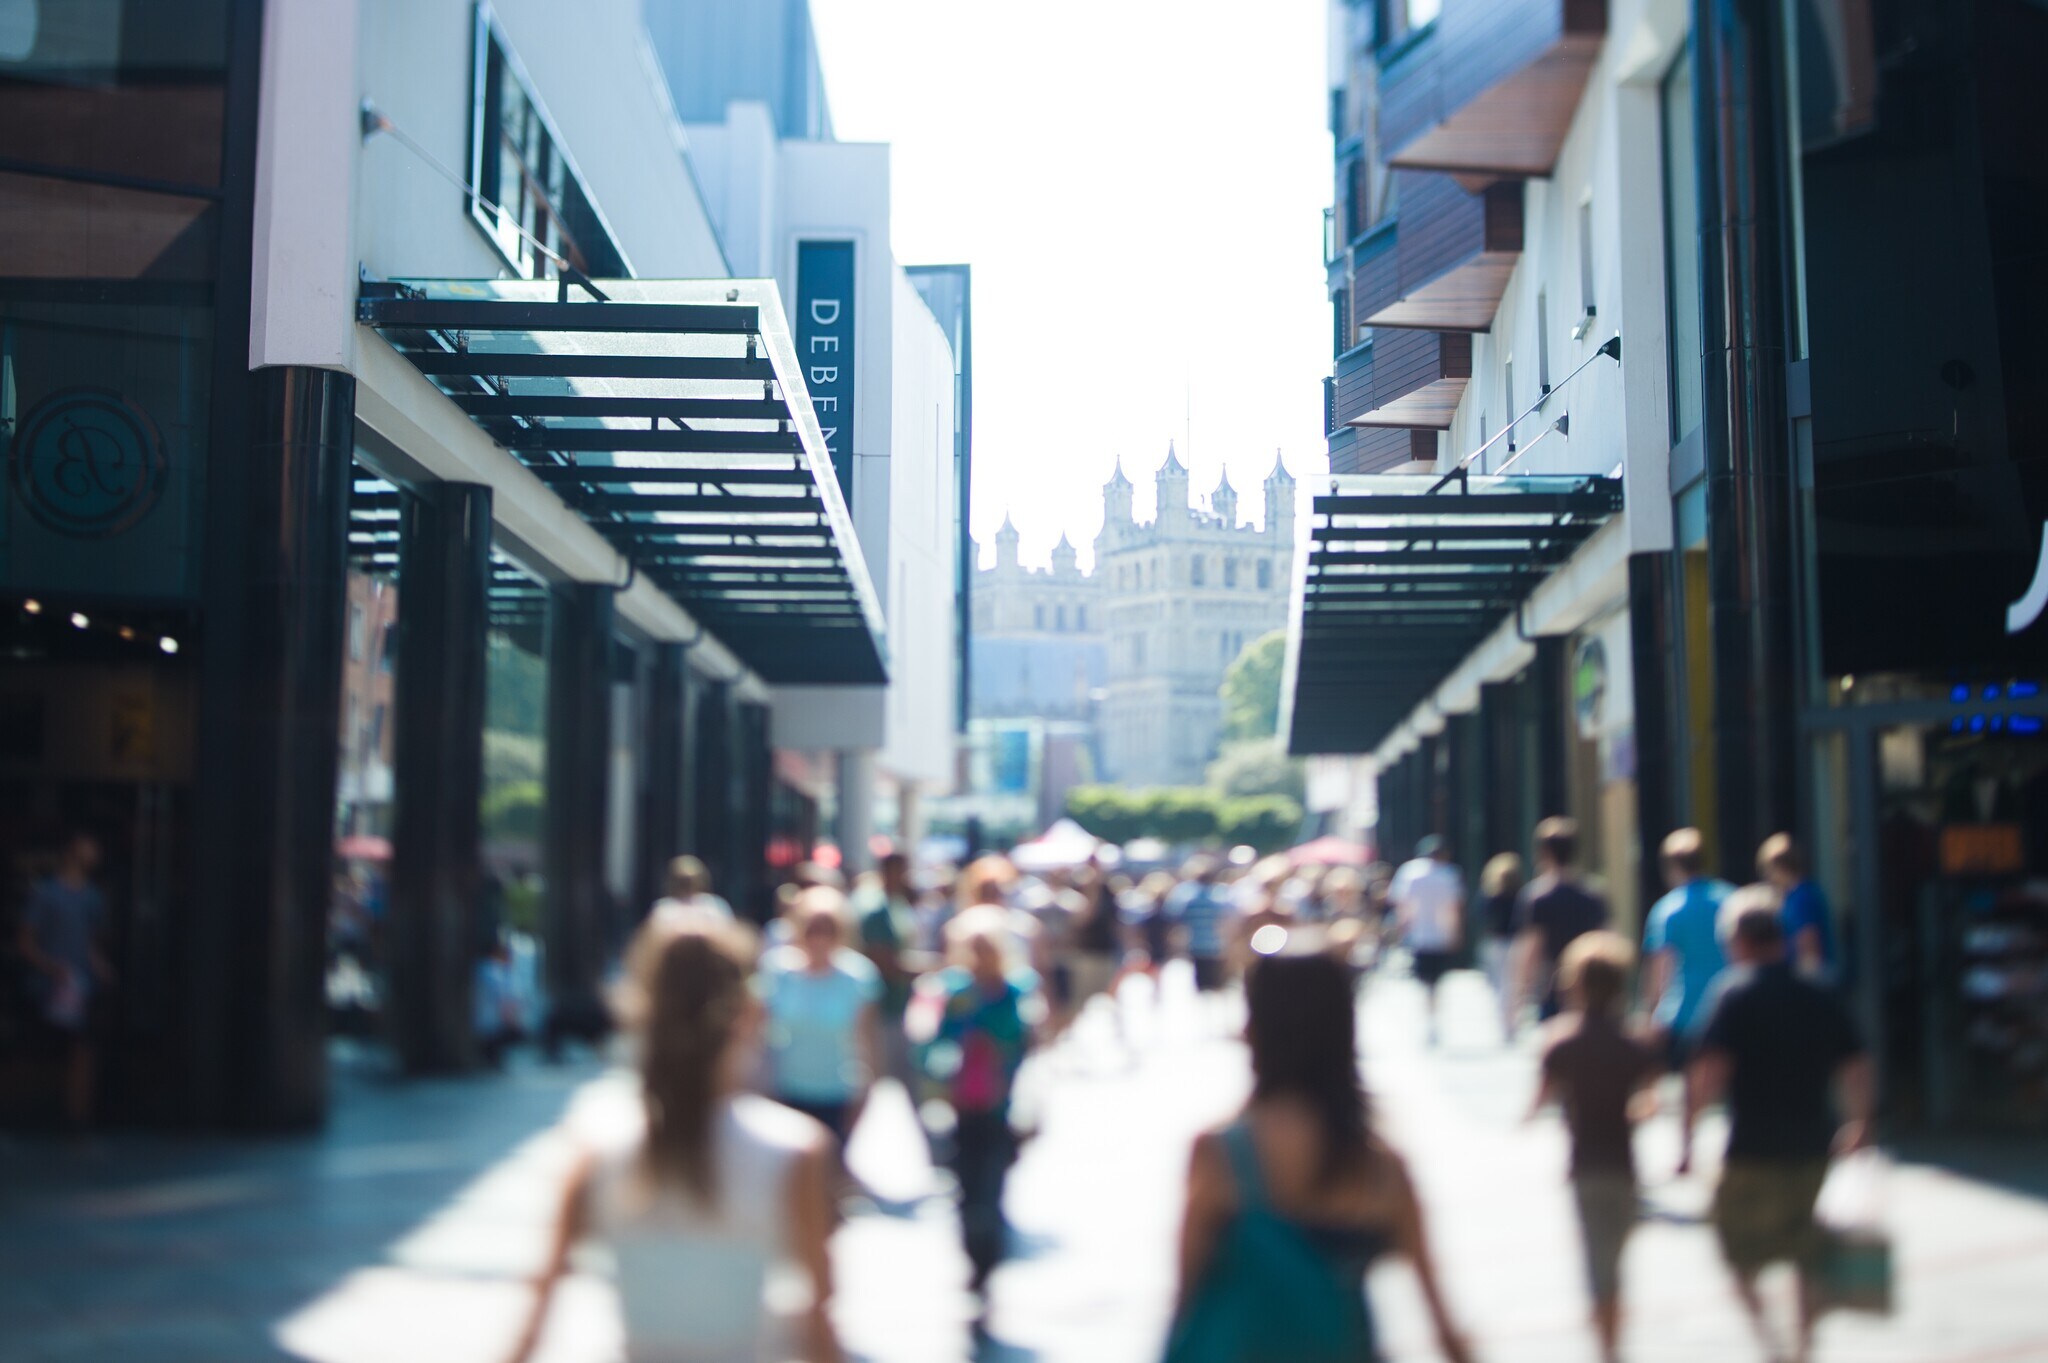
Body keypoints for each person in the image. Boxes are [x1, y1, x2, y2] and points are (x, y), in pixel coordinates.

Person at [505, 915, 843, 1363]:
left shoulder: (598, 1147)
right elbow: (819, 1324)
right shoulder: (795, 1152)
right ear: (748, 1013)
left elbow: (534, 1320)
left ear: (637, 1009)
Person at [1167, 934, 1473, 1363]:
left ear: (1257, 1030)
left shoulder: (1221, 1155)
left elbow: (1186, 1298)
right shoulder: (1380, 1166)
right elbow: (1441, 1319)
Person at [1692, 891, 1874, 1363]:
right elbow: (1855, 1066)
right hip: (1814, 1142)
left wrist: (1689, 1137)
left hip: (1751, 1145)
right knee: (1803, 1249)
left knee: (1735, 1251)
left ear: (1739, 942)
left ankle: (1774, 1346)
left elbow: (1709, 1073)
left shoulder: (1733, 993)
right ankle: (1802, 1348)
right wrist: (1860, 1124)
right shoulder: (1820, 989)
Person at [1529, 932, 1662, 1363]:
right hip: (1624, 1165)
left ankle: (1607, 1346)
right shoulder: (1634, 1043)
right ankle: (1611, 1341)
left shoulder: (1561, 1042)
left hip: (1584, 1165)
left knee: (1597, 1262)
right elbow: (1650, 1102)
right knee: (1614, 1261)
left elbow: (1539, 1101)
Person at [910, 905, 1045, 1299]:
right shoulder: (952, 990)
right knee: (966, 1183)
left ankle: (990, 1253)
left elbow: (1027, 1037)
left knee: (993, 1181)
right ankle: (974, 1254)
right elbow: (933, 1040)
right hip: (962, 1103)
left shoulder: (1016, 989)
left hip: (1000, 1106)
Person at [755, 888, 883, 1147]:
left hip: (837, 1094)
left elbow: (868, 1042)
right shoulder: (776, 971)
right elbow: (758, 1034)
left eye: (828, 929)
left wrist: (865, 1095)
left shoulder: (859, 976)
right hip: (785, 1090)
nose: (819, 938)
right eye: (812, 929)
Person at [1642, 828, 1733, 1175]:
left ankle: (1687, 1151)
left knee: (1691, 1085)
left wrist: (1653, 1012)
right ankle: (1733, 1150)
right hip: (1731, 1004)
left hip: (1687, 1009)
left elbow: (1661, 968)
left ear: (1671, 867)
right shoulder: (1730, 898)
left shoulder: (1668, 910)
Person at [17, 832, 112, 1128]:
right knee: (45, 1052)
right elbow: (25, 943)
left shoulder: (94, 898)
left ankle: (77, 1118)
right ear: (71, 851)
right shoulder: (46, 893)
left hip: (81, 987)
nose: (93, 853)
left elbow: (91, 943)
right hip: (47, 986)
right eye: (88, 847)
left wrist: (101, 967)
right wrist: (50, 967)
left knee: (84, 1050)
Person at [1512, 818, 1610, 1027]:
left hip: (1554, 987)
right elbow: (1607, 942)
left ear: (1544, 853)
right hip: (1592, 990)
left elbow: (1531, 949)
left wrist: (1521, 994)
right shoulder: (1594, 894)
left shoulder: (1538, 897)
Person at [851, 852, 928, 1096]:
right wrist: (933, 968)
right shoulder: (876, 910)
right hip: (883, 1010)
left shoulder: (897, 904)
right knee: (887, 1082)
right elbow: (884, 964)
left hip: (899, 1006)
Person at [1387, 836, 1465, 1045]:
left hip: (1419, 935)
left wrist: (1402, 930)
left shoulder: (1410, 873)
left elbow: (1402, 906)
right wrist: (1455, 933)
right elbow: (1453, 908)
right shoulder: (1449, 874)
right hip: (1439, 935)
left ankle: (1428, 1017)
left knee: (1425, 980)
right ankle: (1432, 1017)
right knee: (1435, 981)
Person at [1758, 833, 1838, 982]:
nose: (1767, 877)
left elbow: (1809, 944)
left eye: (1768, 869)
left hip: (1811, 981)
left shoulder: (1801, 899)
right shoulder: (1804, 893)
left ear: (1782, 867)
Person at [1167, 855, 1238, 996]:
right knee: (1217, 984)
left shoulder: (1186, 894)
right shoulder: (1222, 894)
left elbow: (1173, 917)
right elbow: (1230, 919)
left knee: (1201, 983)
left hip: (1195, 944)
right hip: (1217, 945)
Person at [1476, 852, 1526, 1040]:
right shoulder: (1522, 896)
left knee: (1501, 983)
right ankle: (1511, 1020)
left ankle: (1506, 1020)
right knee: (1512, 983)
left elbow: (1482, 918)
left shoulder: (1491, 896)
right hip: (1513, 942)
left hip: (1497, 943)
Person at [651, 855, 734, 922]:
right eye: (682, 881)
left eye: (691, 881)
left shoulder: (714, 906)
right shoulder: (663, 908)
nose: (687, 885)